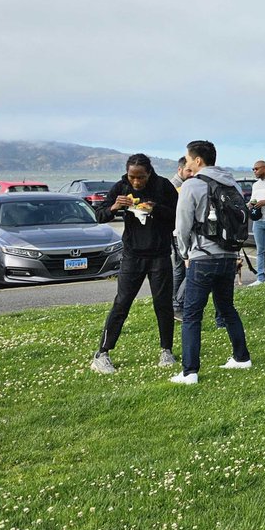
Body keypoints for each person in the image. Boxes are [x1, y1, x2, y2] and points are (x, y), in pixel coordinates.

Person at [89, 153, 180, 374]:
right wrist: (113, 208)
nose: (136, 182)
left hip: (159, 253)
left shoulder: (163, 186)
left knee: (163, 304)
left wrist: (155, 208)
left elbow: (178, 216)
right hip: (132, 254)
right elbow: (98, 215)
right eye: (132, 177)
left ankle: (166, 351)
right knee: (122, 303)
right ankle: (102, 354)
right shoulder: (120, 187)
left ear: (149, 173)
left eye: (141, 177)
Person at [172, 140, 252, 384]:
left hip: (202, 257)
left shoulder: (192, 185)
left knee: (192, 313)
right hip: (228, 255)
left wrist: (185, 253)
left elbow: (183, 225)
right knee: (226, 308)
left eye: (187, 159)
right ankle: (241, 357)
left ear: (197, 161)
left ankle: (190, 371)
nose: (186, 163)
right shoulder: (232, 183)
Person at [170, 156, 191, 321]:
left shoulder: (182, 185)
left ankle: (174, 304)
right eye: (188, 171)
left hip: (176, 233)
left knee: (179, 270)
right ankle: (177, 304)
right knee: (188, 268)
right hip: (180, 233)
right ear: (180, 170)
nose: (191, 174)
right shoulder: (176, 187)